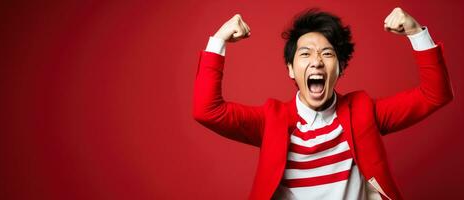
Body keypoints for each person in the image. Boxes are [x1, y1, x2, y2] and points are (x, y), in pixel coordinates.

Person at [193, 7, 453, 200]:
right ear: (291, 70)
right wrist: (219, 40)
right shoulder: (271, 119)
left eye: (327, 54)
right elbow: (207, 111)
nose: (316, 61)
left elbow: (435, 94)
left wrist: (416, 32)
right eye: (305, 54)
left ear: (339, 68)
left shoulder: (363, 112)